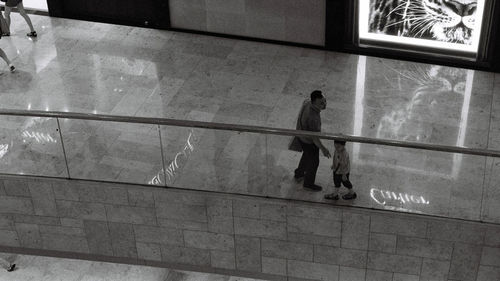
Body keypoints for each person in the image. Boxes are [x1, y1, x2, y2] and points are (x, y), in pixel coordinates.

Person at [294, 90, 331, 191]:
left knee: (307, 155)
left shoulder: (307, 102)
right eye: (321, 103)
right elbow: (315, 137)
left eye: (325, 101)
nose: (325, 104)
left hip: (300, 135)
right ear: (314, 102)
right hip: (308, 140)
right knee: (314, 161)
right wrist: (323, 149)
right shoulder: (313, 118)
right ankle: (308, 183)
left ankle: (299, 173)